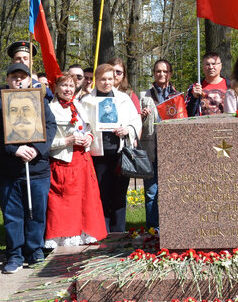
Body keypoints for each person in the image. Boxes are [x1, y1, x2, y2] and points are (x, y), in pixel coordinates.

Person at [0, 62, 54, 273]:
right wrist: (13, 150)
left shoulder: (41, 103)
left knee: (36, 213)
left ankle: (35, 252)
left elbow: (50, 127)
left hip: (37, 169)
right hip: (9, 171)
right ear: (7, 80)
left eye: (22, 77)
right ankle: (14, 255)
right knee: (12, 215)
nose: (18, 80)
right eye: (14, 77)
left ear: (29, 80)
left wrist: (37, 149)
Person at [45, 73, 106, 247]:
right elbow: (46, 143)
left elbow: (88, 129)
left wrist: (88, 137)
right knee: (65, 203)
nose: (68, 89)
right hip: (63, 163)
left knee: (85, 201)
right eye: (64, 85)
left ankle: (84, 234)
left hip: (83, 161)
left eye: (71, 86)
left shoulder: (78, 105)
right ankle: (64, 238)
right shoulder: (49, 109)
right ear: (55, 88)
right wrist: (68, 141)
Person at [87, 63, 142, 232]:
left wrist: (127, 130)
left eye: (110, 79)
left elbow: (135, 121)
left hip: (119, 153)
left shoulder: (123, 99)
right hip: (97, 155)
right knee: (101, 196)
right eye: (102, 79)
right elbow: (82, 125)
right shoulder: (87, 101)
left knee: (119, 195)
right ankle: (103, 232)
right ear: (96, 80)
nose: (106, 83)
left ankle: (118, 233)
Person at [140, 59, 180, 229]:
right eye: (158, 71)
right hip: (151, 149)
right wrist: (141, 115)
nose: (161, 74)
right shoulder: (144, 96)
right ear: (154, 73)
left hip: (171, 150)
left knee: (173, 191)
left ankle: (172, 227)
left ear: (170, 74)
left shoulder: (177, 96)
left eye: (165, 71)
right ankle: (153, 229)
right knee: (151, 192)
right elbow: (135, 121)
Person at [187, 52, 227, 116]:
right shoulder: (195, 87)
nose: (211, 67)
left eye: (214, 64)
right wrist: (194, 98)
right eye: (207, 64)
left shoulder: (230, 86)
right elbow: (187, 114)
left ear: (220, 66)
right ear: (203, 67)